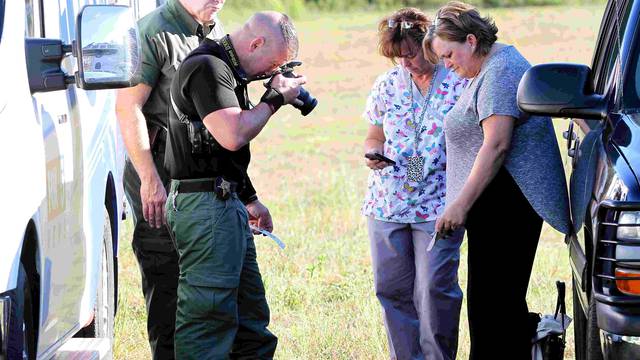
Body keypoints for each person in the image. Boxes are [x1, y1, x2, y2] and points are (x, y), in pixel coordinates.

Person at [424, 2, 571, 358]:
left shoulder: (500, 70)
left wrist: (457, 203)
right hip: (457, 202)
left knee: (492, 311)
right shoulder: (480, 71)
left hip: (502, 204)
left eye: (447, 55)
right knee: (491, 310)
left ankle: (540, 338)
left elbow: (497, 144)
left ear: (471, 41)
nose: (445, 64)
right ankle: (539, 339)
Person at [165, 11, 306, 359]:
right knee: (208, 321)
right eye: (272, 65)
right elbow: (232, 134)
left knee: (251, 322)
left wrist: (248, 197)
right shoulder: (208, 67)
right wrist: (275, 99)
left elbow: (217, 151)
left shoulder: (226, 69)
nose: (270, 75)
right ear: (256, 43)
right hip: (205, 209)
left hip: (223, 202)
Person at [114, 1, 225, 358]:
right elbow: (128, 106)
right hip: (159, 173)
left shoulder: (214, 28)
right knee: (166, 278)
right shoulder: (154, 30)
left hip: (200, 175)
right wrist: (149, 180)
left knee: (204, 276)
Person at [362, 8, 467, 360]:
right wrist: (374, 151)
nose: (405, 62)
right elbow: (373, 134)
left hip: (438, 204)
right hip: (387, 203)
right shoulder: (387, 84)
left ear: (431, 44)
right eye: (398, 56)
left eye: (412, 53)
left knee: (435, 289)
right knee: (391, 289)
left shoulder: (458, 80)